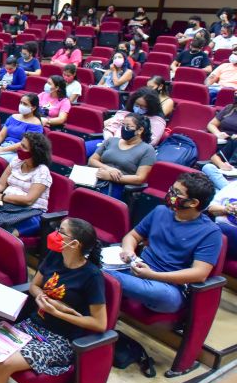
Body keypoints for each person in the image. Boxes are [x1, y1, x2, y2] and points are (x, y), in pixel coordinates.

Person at [0, 218, 106, 383]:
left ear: (74, 244)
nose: (55, 234)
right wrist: (43, 299)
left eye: (61, 231)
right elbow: (34, 286)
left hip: (60, 340)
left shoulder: (92, 277)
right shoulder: (54, 256)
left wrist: (57, 312)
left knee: (5, 363)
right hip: (33, 325)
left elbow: (100, 324)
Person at [107, 172, 221, 313]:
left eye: (176, 192)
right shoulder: (160, 211)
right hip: (138, 269)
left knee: (101, 274)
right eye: (171, 189)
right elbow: (132, 236)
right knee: (96, 264)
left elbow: (199, 273)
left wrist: (152, 275)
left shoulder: (211, 232)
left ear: (193, 203)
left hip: (169, 287)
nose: (170, 194)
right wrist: (129, 251)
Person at [0, 132, 53, 237]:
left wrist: (1, 197)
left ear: (35, 152)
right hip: (7, 206)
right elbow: (0, 184)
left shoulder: (42, 171)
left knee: (0, 234)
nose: (19, 148)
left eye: (23, 146)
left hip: (30, 212)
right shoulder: (16, 161)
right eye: (20, 144)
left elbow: (29, 200)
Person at [88, 113, 155, 199]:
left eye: (128, 126)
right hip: (96, 177)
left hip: (118, 185)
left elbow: (140, 178)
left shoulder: (148, 150)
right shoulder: (111, 140)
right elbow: (92, 160)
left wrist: (111, 177)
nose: (124, 129)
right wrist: (108, 169)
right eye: (123, 125)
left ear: (140, 130)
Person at [85, 87, 166, 156]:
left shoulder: (157, 120)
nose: (138, 109)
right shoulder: (125, 112)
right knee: (81, 149)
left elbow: (151, 141)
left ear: (151, 107)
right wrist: (110, 142)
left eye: (143, 107)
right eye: (137, 105)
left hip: (133, 151)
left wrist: (121, 146)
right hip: (109, 142)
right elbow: (110, 128)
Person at [0, 93, 44, 162]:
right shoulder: (13, 117)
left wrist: (2, 150)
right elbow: (1, 135)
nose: (21, 105)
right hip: (4, 146)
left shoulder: (36, 124)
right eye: (21, 103)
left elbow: (25, 144)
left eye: (25, 104)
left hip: (18, 153)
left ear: (33, 108)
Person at [203, 180, 237, 261]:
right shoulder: (234, 185)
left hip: (231, 235)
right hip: (215, 226)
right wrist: (226, 209)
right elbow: (211, 208)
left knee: (224, 229)